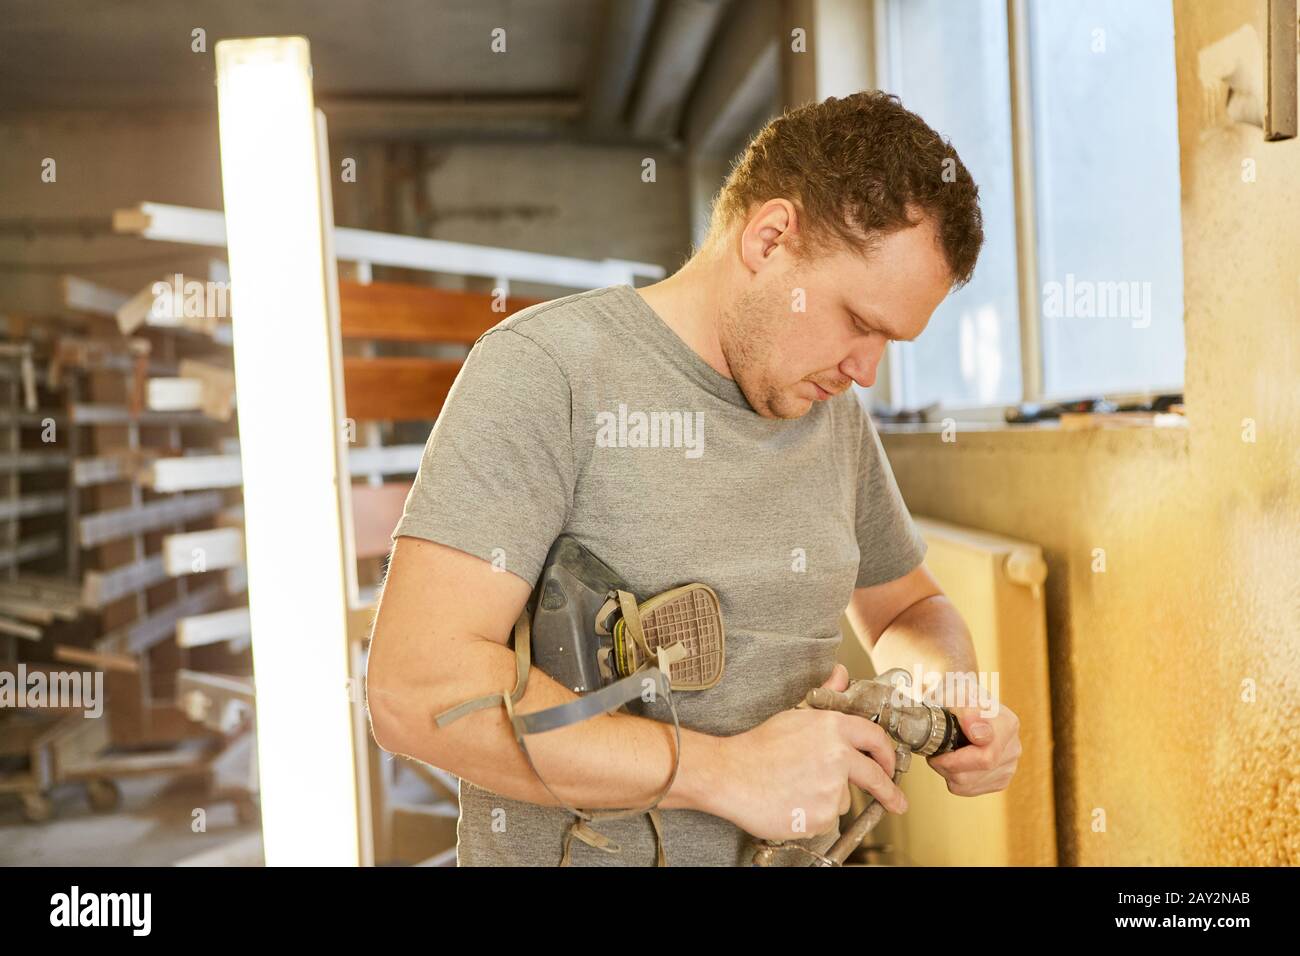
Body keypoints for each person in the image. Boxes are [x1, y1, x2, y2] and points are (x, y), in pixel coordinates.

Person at [366, 90, 1022, 866]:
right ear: (770, 238)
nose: (867, 371)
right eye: (859, 321)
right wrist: (720, 773)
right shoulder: (549, 373)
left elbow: (909, 607)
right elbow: (415, 691)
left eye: (892, 341)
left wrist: (947, 695)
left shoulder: (827, 409)